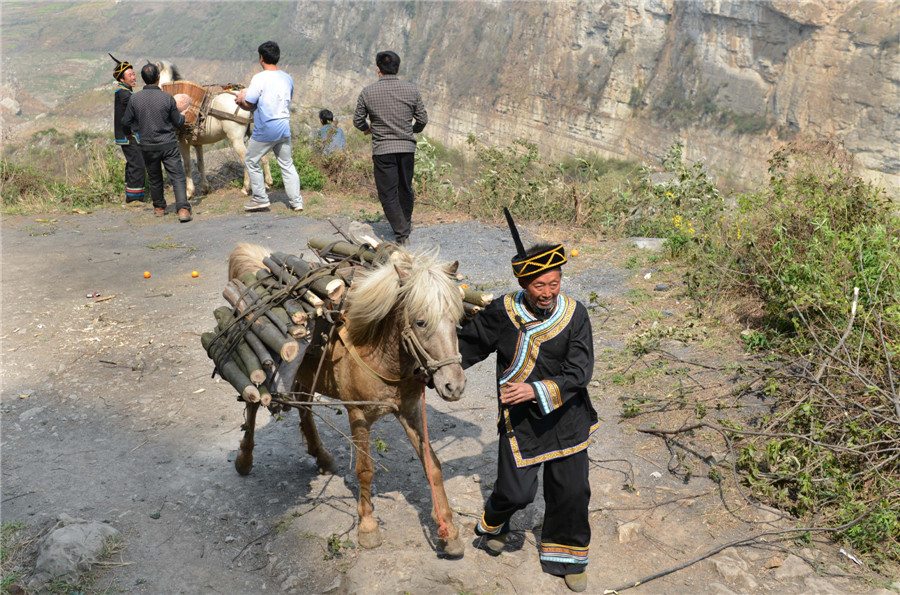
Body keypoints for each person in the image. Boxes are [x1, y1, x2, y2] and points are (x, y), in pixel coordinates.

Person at [456, 210, 598, 593]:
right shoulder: (503, 311)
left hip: (568, 416)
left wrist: (535, 389)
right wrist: (432, 369)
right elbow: (468, 345)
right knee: (517, 491)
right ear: (523, 282)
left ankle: (567, 556)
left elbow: (580, 371)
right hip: (521, 422)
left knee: (572, 491)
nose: (548, 292)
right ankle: (496, 520)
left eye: (554, 283)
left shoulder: (574, 315)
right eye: (539, 285)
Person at [353, 50, 427, 245]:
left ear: (378, 70)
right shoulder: (411, 90)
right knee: (405, 188)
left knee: (388, 193)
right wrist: (411, 130)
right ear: (398, 68)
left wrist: (368, 129)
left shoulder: (367, 92)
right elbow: (422, 119)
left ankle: (402, 234)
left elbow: (357, 120)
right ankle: (405, 224)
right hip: (406, 148)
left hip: (383, 150)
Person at [235, 41, 303, 212]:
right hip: (283, 126)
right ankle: (296, 202)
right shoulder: (287, 78)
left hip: (266, 128)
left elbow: (249, 103)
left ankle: (260, 198)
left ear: (261, 58)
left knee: (251, 160)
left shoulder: (259, 78)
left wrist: (240, 100)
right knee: (287, 164)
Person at [121, 63, 192, 222]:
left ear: (143, 79)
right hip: (168, 145)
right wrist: (183, 114)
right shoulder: (167, 98)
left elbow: (125, 122)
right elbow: (178, 122)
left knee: (154, 177)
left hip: (147, 146)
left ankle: (159, 208)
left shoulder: (135, 99)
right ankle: (182, 209)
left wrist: (130, 133)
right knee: (177, 177)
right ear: (158, 78)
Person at [109, 53, 146, 204]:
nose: (133, 77)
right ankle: (134, 198)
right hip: (128, 135)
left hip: (128, 135)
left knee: (133, 163)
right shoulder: (123, 93)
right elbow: (134, 104)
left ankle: (131, 194)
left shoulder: (125, 91)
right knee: (138, 163)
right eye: (129, 75)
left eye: (133, 73)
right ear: (122, 79)